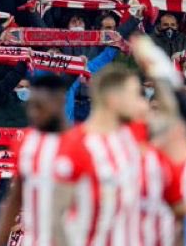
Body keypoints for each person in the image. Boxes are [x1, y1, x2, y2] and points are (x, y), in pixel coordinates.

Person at [50, 65, 146, 245]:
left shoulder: (132, 142)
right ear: (113, 100)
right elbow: (56, 213)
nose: (142, 103)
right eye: (134, 96)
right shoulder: (75, 144)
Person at [0, 74, 69, 246]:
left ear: (59, 102)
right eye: (32, 107)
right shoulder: (26, 142)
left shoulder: (83, 143)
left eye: (39, 107)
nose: (33, 113)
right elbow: (16, 198)